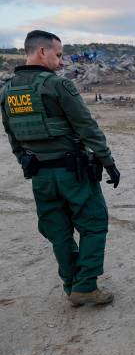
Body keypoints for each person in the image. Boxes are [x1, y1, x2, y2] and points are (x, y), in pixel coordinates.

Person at [0, 30, 120, 306]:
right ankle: (86, 285)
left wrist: (26, 162)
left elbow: (12, 136)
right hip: (71, 172)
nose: (62, 61)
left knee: (58, 230)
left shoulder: (8, 90)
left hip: (40, 176)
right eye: (58, 54)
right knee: (94, 224)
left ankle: (71, 284)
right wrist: (108, 162)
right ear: (41, 52)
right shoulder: (57, 86)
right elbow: (86, 127)